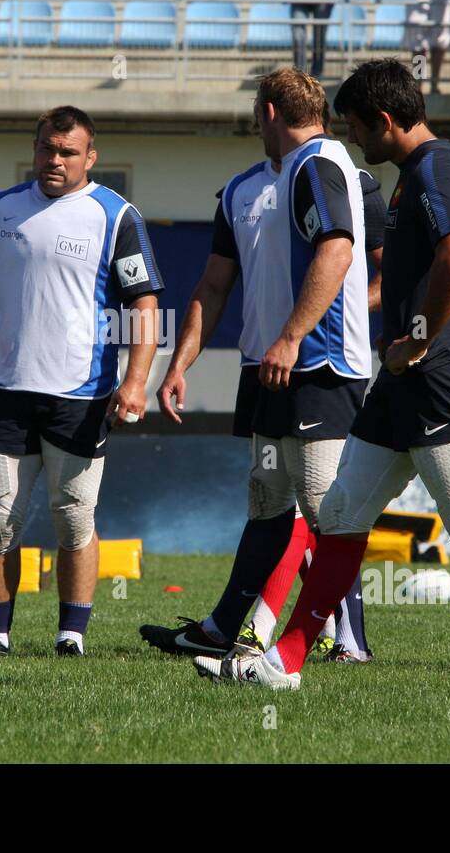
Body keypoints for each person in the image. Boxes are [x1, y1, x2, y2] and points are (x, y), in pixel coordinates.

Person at [196, 58, 450, 696]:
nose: (351, 139)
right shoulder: (416, 172)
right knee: (338, 513)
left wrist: (415, 340)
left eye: (358, 128)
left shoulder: (437, 169)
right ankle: (284, 663)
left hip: (436, 373)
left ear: (386, 121)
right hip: (401, 380)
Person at [141, 71, 386, 665]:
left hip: (320, 365)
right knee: (269, 497)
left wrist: (295, 334)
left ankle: (346, 640)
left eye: (255, 113)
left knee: (327, 506)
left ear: (268, 111)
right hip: (266, 369)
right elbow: (214, 285)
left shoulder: (327, 166)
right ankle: (223, 628)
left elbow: (346, 253)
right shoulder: (241, 189)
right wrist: (180, 365)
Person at [0, 106, 164, 658]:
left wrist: (137, 379)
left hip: (82, 394)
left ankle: (70, 634)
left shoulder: (115, 214)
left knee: (73, 519)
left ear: (89, 158)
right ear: (35, 149)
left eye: (68, 152)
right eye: (48, 148)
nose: (55, 160)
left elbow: (144, 302)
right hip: (4, 390)